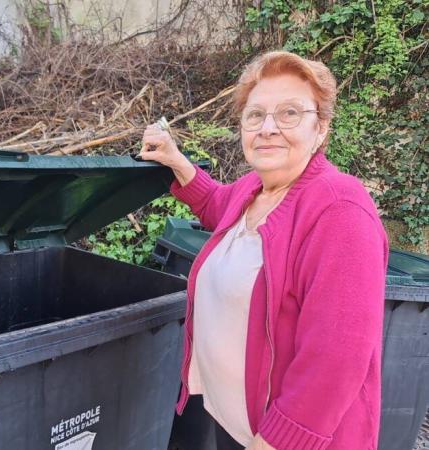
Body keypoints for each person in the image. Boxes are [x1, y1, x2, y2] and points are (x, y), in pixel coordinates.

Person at [139, 50, 388, 450]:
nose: (268, 128)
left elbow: (336, 358)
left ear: (320, 128)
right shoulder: (253, 189)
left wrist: (276, 441)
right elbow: (216, 203)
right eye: (255, 115)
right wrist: (175, 160)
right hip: (233, 419)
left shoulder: (340, 209)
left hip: (287, 440)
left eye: (289, 113)